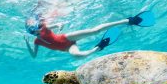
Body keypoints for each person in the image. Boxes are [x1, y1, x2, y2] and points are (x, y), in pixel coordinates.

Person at [24, 10, 154, 57]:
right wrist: (27, 44)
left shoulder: (44, 28)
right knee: (79, 55)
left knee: (95, 30)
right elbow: (33, 56)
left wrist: (59, 25)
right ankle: (99, 47)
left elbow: (55, 25)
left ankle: (128, 21)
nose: (38, 31)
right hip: (67, 48)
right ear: (32, 33)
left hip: (67, 37)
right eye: (35, 31)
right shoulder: (36, 41)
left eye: (37, 28)